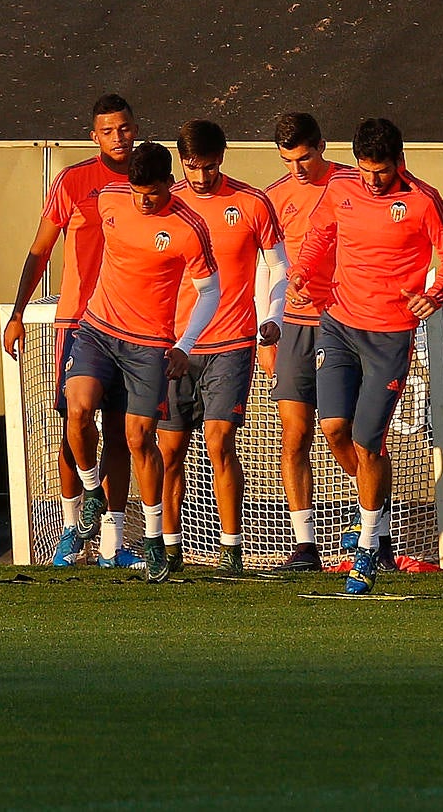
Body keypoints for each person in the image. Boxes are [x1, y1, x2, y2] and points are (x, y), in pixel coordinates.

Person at [290, 118, 443, 595]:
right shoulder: (341, 187)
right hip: (338, 323)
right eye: (366, 170)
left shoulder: (424, 200)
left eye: (381, 171)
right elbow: (320, 236)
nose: (372, 180)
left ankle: (368, 546)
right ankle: (378, 513)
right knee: (333, 429)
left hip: (389, 335)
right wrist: (303, 273)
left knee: (370, 443)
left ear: (399, 162)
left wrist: (436, 293)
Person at [62, 141, 221, 583]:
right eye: (137, 191)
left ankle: (152, 540)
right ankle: (92, 490)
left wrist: (184, 344)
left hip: (149, 345)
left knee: (138, 438)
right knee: (77, 410)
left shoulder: (189, 227)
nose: (143, 199)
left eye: (151, 191)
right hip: (97, 328)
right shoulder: (111, 198)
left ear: (170, 184)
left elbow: (211, 290)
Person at [2, 95, 140, 568]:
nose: (118, 137)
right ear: (93, 136)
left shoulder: (155, 180)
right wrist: (18, 312)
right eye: (108, 130)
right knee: (75, 423)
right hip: (79, 323)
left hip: (135, 327)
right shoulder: (73, 180)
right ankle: (73, 525)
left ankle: (113, 543)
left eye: (124, 127)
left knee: (122, 435)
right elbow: (40, 249)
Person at [161, 119, 288, 573]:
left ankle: (231, 552)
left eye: (209, 167)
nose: (200, 177)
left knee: (220, 442)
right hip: (174, 347)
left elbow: (279, 267)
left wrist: (273, 317)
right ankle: (170, 550)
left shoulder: (252, 202)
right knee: (170, 450)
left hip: (233, 341)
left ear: (223, 158)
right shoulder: (165, 203)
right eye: (192, 167)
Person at [263, 113, 359, 572]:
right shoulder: (275, 197)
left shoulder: (353, 184)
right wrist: (265, 330)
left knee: (339, 429)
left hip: (342, 321)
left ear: (322, 145)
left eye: (304, 157)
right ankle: (305, 545)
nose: (298, 169)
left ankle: (372, 519)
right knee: (294, 432)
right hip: (291, 326)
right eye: (288, 160)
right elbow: (265, 268)